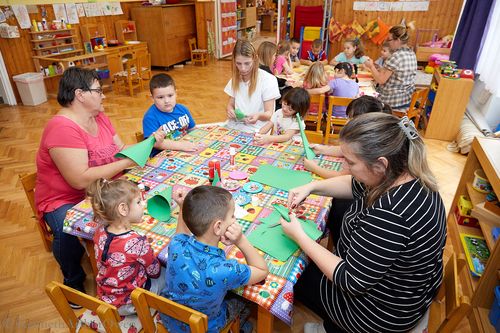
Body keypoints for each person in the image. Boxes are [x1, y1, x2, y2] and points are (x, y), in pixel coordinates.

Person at [283, 113, 446, 333]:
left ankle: (335, 326)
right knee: (337, 211)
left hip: (378, 315)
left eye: (350, 162)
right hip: (406, 294)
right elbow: (353, 184)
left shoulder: (391, 214)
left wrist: (300, 236)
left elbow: (350, 279)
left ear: (380, 164)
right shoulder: (404, 175)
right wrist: (311, 187)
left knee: (289, 275)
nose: (346, 166)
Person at [35, 67, 136, 306]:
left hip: (100, 188)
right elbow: (79, 179)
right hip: (63, 198)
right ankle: (73, 281)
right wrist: (125, 162)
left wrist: (150, 145)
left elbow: (122, 152)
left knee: (136, 204)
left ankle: (124, 260)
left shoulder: (100, 117)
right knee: (67, 228)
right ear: (80, 94)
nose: (104, 95)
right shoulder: (62, 127)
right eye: (98, 90)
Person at [160, 185, 269, 333]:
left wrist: (182, 206)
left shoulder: (176, 245)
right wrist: (241, 240)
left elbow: (181, 233)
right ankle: (241, 327)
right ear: (218, 227)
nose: (234, 219)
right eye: (232, 216)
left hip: (171, 320)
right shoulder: (226, 270)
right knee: (242, 300)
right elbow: (262, 271)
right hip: (207, 327)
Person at [87, 178, 162, 315]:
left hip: (107, 297)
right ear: (123, 209)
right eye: (139, 202)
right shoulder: (136, 241)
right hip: (130, 303)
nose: (144, 204)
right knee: (167, 271)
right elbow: (154, 272)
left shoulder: (99, 232)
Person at [304, 96, 392, 178]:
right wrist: (321, 149)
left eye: (351, 119)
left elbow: (343, 177)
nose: (346, 123)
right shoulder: (369, 137)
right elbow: (344, 150)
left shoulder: (369, 147)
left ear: (367, 123)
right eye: (348, 118)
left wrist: (314, 168)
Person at [225, 39, 281, 133]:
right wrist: (230, 110)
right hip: (235, 125)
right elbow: (230, 104)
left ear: (255, 59)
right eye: (239, 63)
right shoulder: (235, 79)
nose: (243, 68)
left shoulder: (268, 79)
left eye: (247, 63)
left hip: (257, 129)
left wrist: (258, 116)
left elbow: (269, 114)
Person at [142, 73, 198, 157]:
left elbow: (193, 130)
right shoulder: (150, 118)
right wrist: (181, 146)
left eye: (170, 95)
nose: (166, 101)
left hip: (185, 151)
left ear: (176, 94)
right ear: (152, 98)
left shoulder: (183, 109)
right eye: (160, 97)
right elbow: (155, 144)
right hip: (162, 157)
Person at [364, 25, 417, 109]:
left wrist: (371, 66)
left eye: (389, 39)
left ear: (398, 40)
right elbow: (398, 75)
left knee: (364, 99)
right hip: (406, 98)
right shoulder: (411, 53)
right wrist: (381, 69)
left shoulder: (396, 56)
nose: (388, 42)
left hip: (392, 100)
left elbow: (380, 80)